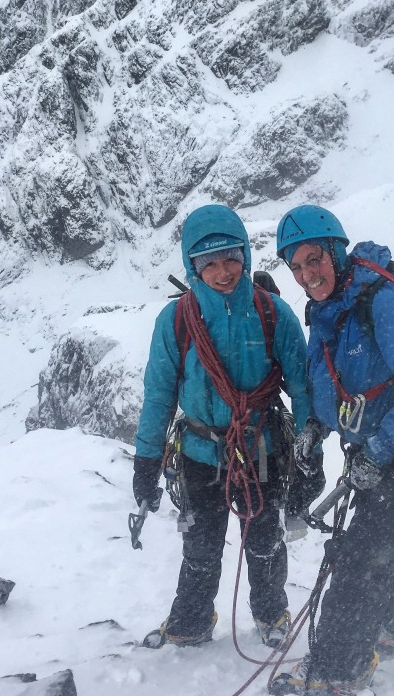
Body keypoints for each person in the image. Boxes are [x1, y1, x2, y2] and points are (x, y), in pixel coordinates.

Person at [270, 204, 394, 696]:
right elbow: (327, 384)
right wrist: (314, 427)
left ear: (336, 252)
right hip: (374, 459)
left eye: (315, 260)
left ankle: (336, 671)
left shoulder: (381, 302)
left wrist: (378, 452)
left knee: (358, 561)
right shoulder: (324, 313)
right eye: (297, 266)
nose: (308, 274)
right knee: (389, 544)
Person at [133, 203, 312, 650]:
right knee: (201, 548)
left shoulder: (272, 314)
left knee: (265, 543)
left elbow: (305, 387)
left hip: (261, 449)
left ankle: (271, 614)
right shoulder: (176, 321)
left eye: (231, 258)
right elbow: (158, 395)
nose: (223, 271)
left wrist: (312, 446)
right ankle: (191, 620)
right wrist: (146, 461)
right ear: (193, 267)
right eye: (208, 263)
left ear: (246, 255)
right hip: (199, 454)